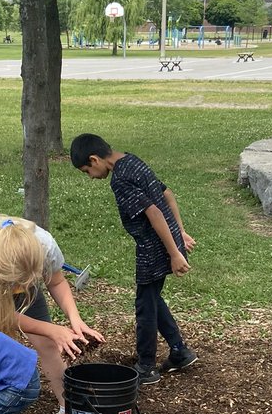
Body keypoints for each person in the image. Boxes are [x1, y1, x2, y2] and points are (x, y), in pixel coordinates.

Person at [0, 215, 104, 414]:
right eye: (17, 284)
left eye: (29, 281)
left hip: (15, 269)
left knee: (48, 344)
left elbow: (56, 281)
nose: (21, 289)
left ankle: (68, 409)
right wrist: (51, 329)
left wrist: (75, 319)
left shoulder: (43, 244)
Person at [69, 133, 198, 385]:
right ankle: (179, 351)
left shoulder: (120, 179)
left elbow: (152, 211)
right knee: (151, 298)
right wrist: (179, 232)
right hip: (166, 239)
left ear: (94, 159)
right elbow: (167, 194)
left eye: (87, 171)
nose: (90, 176)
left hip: (153, 246)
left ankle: (147, 366)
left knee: (145, 307)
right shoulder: (132, 160)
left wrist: (174, 252)